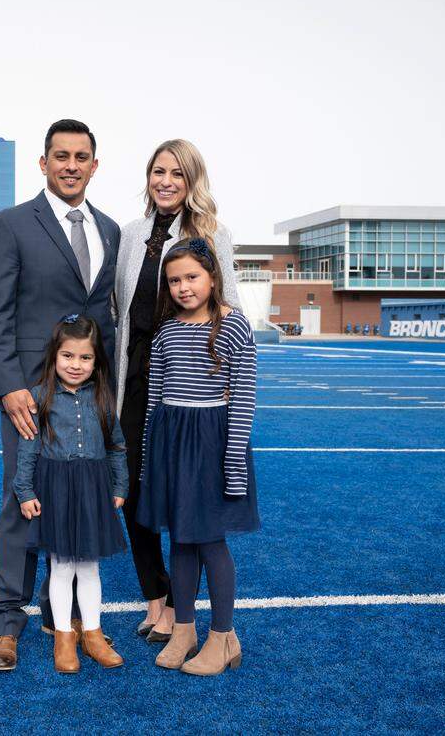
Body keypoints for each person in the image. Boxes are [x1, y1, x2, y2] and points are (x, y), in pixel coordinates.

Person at [0, 119, 121, 672]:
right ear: (43, 163)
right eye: (60, 155)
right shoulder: (13, 224)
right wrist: (10, 385)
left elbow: (104, 318)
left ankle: (56, 612)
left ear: (94, 163)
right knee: (23, 498)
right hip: (32, 393)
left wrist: (109, 395)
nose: (70, 165)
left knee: (75, 495)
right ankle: (5, 622)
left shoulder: (108, 228)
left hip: (90, 394)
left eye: (81, 156)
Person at [112, 138, 240, 643]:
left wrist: (224, 391)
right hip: (135, 377)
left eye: (177, 174)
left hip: (190, 385)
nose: (165, 181)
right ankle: (157, 602)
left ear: (193, 182)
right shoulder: (130, 234)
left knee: (186, 495)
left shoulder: (212, 234)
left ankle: (187, 615)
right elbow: (119, 312)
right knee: (135, 492)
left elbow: (230, 309)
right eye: (157, 171)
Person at [138, 238, 260, 675]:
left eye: (192, 277)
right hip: (172, 443)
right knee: (180, 540)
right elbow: (155, 399)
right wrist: (151, 461)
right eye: (174, 280)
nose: (183, 287)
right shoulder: (167, 331)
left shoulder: (234, 326)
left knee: (210, 541)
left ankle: (222, 637)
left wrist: (233, 465)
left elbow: (243, 400)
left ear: (212, 277)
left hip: (211, 444)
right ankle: (184, 628)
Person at [14, 314, 128, 673]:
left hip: (93, 487)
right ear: (54, 356)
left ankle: (92, 632)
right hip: (57, 488)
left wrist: (119, 486)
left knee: (90, 566)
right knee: (62, 566)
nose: (75, 365)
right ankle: (64, 636)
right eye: (68, 356)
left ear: (96, 361)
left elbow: (116, 446)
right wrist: (24, 490)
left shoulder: (104, 398)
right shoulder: (40, 396)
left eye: (85, 358)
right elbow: (28, 449)